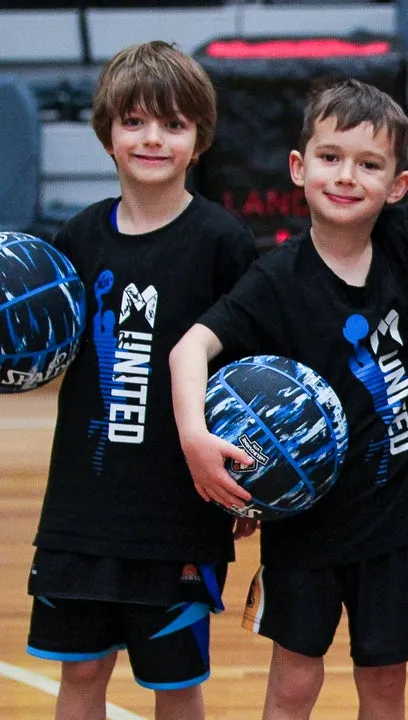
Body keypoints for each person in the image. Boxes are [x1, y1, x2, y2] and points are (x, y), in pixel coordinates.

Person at [169, 79, 408, 720]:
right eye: (330, 157)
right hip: (303, 526)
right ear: (299, 167)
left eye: (369, 164)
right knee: (293, 684)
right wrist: (195, 442)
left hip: (399, 526)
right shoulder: (273, 278)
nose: (347, 177)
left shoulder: (406, 235)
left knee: (384, 689)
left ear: (397, 184)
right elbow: (189, 350)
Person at [24, 41, 258, 720]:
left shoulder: (223, 242)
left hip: (179, 517)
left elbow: (246, 374)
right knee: (82, 672)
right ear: (107, 134)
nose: (153, 138)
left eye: (174, 123)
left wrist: (248, 488)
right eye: (134, 121)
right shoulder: (76, 237)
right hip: (80, 513)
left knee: (176, 684)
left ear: (199, 139)